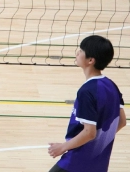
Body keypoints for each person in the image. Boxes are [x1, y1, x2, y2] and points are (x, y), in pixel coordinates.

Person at [48, 35, 125, 172]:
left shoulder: (86, 92)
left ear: (90, 60)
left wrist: (63, 147)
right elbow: (122, 121)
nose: (77, 53)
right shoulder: (112, 85)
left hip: (76, 163)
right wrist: (100, 141)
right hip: (99, 164)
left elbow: (89, 133)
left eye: (81, 51)